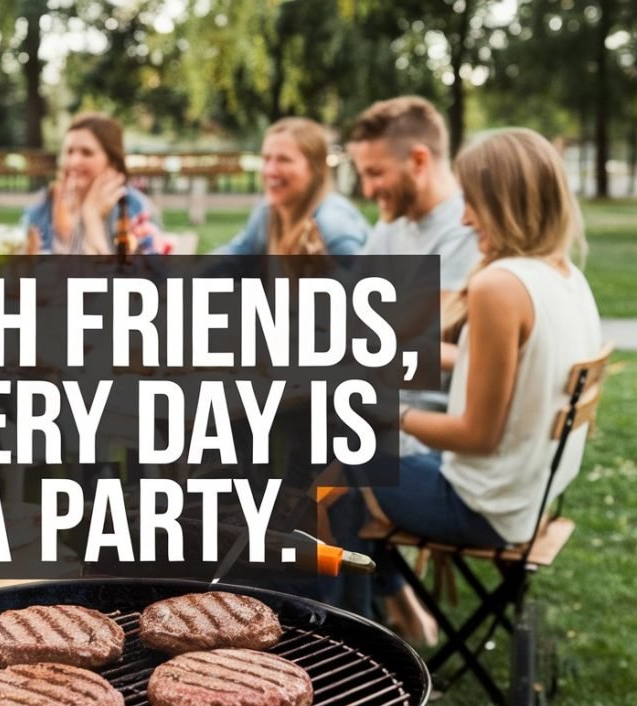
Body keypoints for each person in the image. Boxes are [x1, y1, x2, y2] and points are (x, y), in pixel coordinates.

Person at [327, 128, 602, 639]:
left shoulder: (500, 284)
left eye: (474, 202)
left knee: (330, 458)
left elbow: (476, 435)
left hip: (480, 506)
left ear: (504, 203)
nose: (465, 217)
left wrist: (387, 411)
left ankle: (350, 632)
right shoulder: (564, 276)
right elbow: (513, 372)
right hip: (530, 492)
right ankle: (392, 615)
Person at [348, 96, 480, 306]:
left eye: (375, 173)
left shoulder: (466, 229)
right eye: (363, 175)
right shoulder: (395, 220)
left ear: (418, 161)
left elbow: (422, 331)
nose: (368, 191)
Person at [214, 117, 369, 256]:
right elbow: (238, 253)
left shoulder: (333, 224)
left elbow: (363, 283)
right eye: (267, 158)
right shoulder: (269, 211)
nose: (270, 170)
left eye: (284, 160)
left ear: (315, 169)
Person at [22, 113, 163, 254]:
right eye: (69, 152)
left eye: (87, 153)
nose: (74, 161)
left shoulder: (135, 209)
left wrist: (93, 219)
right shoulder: (42, 208)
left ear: (112, 162)